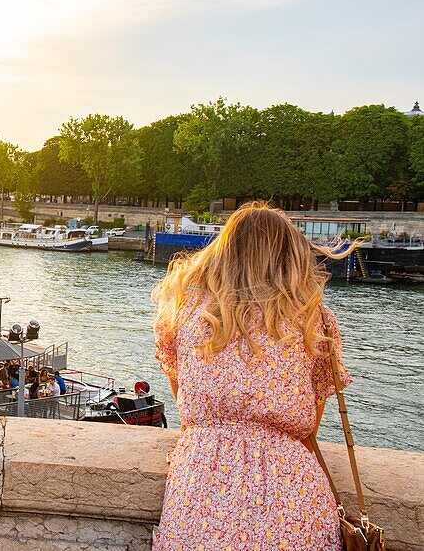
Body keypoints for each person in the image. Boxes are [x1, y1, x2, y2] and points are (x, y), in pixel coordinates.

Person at [151, 201, 355, 550]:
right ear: (291, 256)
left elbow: (186, 405)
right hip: (295, 500)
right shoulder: (314, 321)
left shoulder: (182, 313)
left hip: (201, 492)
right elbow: (309, 428)